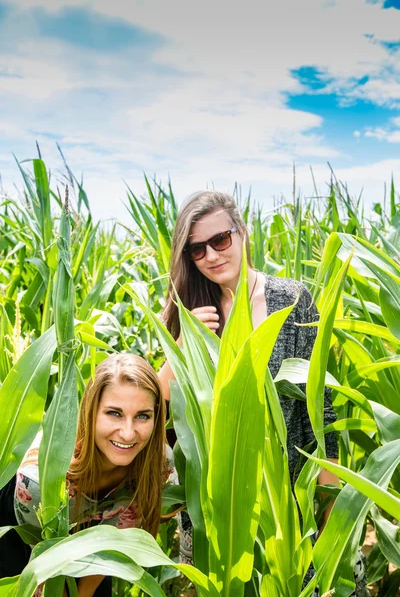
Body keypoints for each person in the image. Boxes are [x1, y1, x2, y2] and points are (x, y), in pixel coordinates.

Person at [159, 190, 369, 596]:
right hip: (220, 510)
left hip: (290, 506)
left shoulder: (291, 302)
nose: (212, 256)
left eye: (220, 240)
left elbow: (319, 414)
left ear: (242, 233)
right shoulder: (190, 310)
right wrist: (182, 349)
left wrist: (329, 510)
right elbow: (153, 404)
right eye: (197, 249)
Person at [0, 353, 171, 597]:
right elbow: (40, 572)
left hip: (96, 532)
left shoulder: (158, 465)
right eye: (114, 413)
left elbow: (115, 543)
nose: (128, 432)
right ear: (90, 413)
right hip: (24, 532)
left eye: (142, 415)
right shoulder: (40, 481)